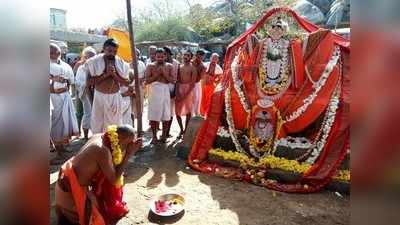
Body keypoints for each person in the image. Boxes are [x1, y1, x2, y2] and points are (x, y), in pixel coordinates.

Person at [55, 124, 142, 225]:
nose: (129, 147)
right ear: (120, 139)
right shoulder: (103, 151)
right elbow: (113, 179)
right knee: (99, 219)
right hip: (70, 191)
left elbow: (112, 164)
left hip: (67, 179)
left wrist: (126, 148)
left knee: (99, 203)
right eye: (128, 144)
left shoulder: (100, 136)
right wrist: (128, 154)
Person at [85, 38, 131, 134]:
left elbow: (126, 82)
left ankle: (113, 146)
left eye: (115, 51)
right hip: (99, 97)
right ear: (104, 49)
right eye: (109, 51)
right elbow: (89, 82)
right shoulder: (93, 62)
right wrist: (105, 74)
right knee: (98, 124)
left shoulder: (121, 63)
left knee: (115, 126)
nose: (112, 53)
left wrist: (114, 74)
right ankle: (99, 146)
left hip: (115, 97)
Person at [50, 43, 79, 158]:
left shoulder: (66, 66)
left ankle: (62, 146)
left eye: (57, 52)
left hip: (65, 96)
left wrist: (65, 85)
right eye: (52, 53)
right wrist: (53, 81)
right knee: (55, 123)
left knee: (65, 121)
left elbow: (71, 81)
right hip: (51, 98)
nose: (55, 55)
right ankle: (56, 150)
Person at [145, 48, 175, 144]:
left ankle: (164, 136)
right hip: (154, 91)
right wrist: (158, 73)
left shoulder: (170, 66)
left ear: (165, 56)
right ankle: (154, 136)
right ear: (155, 56)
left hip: (165, 91)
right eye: (158, 57)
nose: (160, 59)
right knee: (154, 114)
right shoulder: (150, 66)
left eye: (162, 57)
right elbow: (147, 81)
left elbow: (173, 80)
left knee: (166, 114)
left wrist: (164, 74)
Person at [75, 46, 97, 140]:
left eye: (93, 56)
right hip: (85, 93)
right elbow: (78, 82)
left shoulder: (97, 67)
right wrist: (87, 85)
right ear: (85, 57)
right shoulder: (81, 68)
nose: (91, 59)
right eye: (88, 56)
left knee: (97, 113)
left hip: (97, 93)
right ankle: (86, 136)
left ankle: (96, 135)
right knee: (88, 113)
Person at [175, 50, 197, 138]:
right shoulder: (179, 67)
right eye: (184, 55)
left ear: (191, 57)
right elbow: (177, 80)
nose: (185, 57)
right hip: (180, 89)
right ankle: (181, 129)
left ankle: (186, 130)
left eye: (187, 55)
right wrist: (177, 93)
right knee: (177, 112)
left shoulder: (193, 68)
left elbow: (192, 84)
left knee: (188, 111)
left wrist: (185, 95)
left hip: (189, 91)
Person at [163, 46, 179, 138]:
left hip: (172, 89)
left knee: (170, 112)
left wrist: (175, 92)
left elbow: (178, 79)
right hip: (162, 90)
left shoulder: (176, 63)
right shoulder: (161, 63)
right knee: (163, 111)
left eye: (165, 54)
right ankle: (164, 132)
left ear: (169, 54)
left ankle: (167, 132)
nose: (164, 56)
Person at [130, 49, 146, 128]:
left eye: (137, 55)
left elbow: (145, 76)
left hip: (140, 88)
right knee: (131, 108)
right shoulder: (128, 65)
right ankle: (132, 126)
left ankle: (140, 126)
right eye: (133, 54)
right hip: (131, 88)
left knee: (140, 107)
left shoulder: (142, 64)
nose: (135, 56)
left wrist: (141, 80)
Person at [191, 50, 206, 116]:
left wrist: (198, 68)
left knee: (197, 101)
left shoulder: (203, 66)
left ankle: (196, 116)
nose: (198, 58)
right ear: (195, 55)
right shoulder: (190, 63)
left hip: (196, 85)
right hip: (188, 84)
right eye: (197, 56)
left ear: (203, 57)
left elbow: (201, 77)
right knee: (190, 102)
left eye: (201, 57)